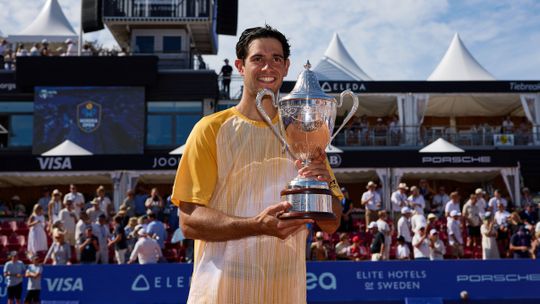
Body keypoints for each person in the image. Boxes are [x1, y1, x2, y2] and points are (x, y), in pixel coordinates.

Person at [171, 25, 342, 304]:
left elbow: (332, 223)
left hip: (286, 293)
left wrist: (323, 186)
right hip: (221, 292)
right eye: (258, 59)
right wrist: (257, 225)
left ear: (286, 67)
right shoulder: (210, 129)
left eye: (276, 59)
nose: (268, 67)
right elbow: (189, 221)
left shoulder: (305, 133)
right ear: (240, 65)